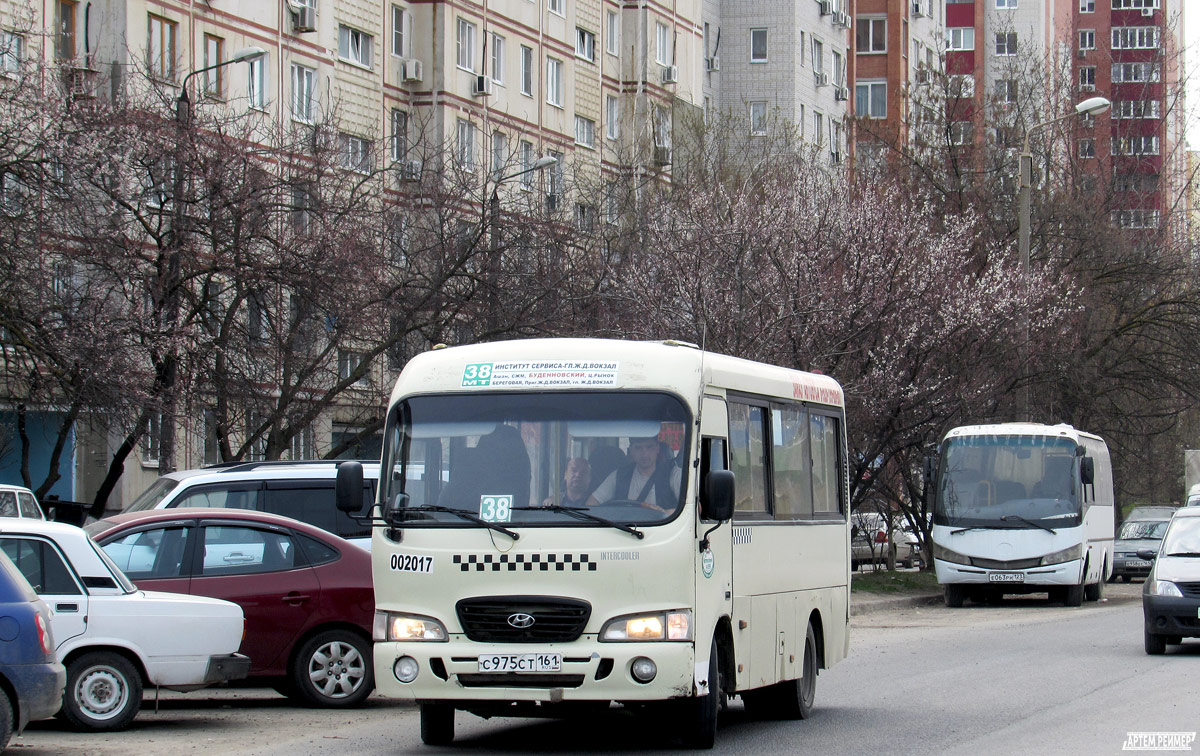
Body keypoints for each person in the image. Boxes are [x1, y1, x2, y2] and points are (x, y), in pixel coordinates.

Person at [587, 436, 681, 514]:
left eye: (649, 447)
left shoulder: (674, 474)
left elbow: (688, 509)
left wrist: (664, 513)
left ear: (657, 448)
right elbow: (592, 503)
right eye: (638, 448)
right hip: (624, 531)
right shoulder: (619, 475)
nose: (644, 454)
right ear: (631, 451)